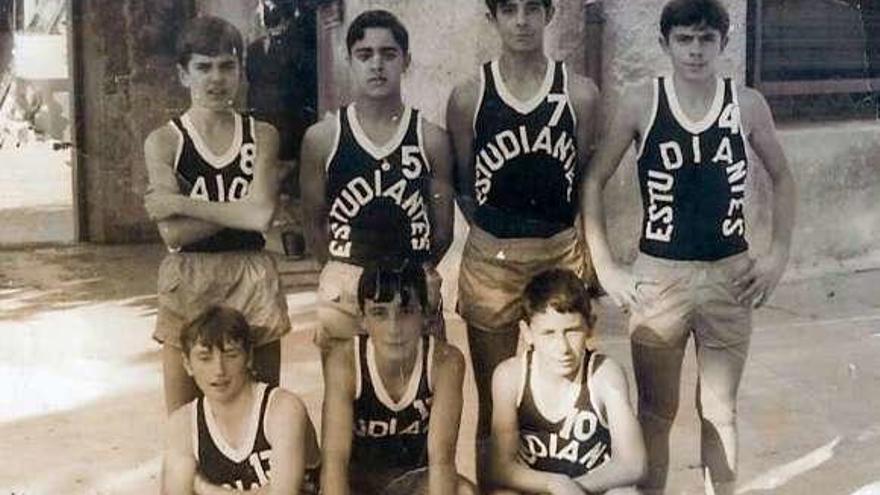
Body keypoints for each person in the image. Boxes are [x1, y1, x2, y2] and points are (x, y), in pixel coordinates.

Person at [580, 1, 796, 493]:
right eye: (684, 40)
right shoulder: (641, 102)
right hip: (659, 276)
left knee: (721, 410)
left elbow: (783, 178)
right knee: (656, 412)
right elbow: (593, 180)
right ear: (665, 44)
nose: (695, 51)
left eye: (705, 40)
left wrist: (778, 254)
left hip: (730, 273)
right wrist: (606, 267)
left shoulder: (746, 104)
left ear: (723, 42)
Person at [445, 0, 600, 481]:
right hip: (493, 257)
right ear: (492, 17)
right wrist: (499, 238)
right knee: (497, 402)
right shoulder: (470, 95)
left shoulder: (580, 93)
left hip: (558, 250)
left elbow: (584, 181)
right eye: (508, 9)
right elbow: (464, 185)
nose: (521, 21)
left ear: (549, 14)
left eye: (532, 8)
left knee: (564, 395)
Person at [143, 16, 290, 413]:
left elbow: (260, 217)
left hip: (253, 274)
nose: (216, 78)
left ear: (241, 70)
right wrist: (242, 209)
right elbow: (174, 236)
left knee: (261, 411)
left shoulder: (261, 134)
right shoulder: (164, 141)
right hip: (188, 275)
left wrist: (181, 202)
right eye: (203, 67)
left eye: (227, 66)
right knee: (184, 417)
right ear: (183, 74)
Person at [299, 9, 454, 347]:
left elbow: (443, 232)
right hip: (347, 279)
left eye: (389, 54)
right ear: (349, 60)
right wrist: (338, 272)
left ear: (406, 60)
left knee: (418, 389)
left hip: (410, 280)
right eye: (365, 54)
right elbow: (313, 222)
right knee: (344, 392)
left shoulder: (431, 138)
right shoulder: (323, 137)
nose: (377, 65)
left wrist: (417, 273)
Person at [320, 264, 475, 495]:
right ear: (362, 319)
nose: (394, 328)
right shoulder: (345, 363)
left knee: (464, 492)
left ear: (424, 314)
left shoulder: (445, 362)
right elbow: (334, 462)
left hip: (414, 482)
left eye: (405, 311)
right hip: (358, 484)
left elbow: (442, 459)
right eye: (379, 313)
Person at [487, 268, 645, 495]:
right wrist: (554, 484)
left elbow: (633, 464)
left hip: (588, 491)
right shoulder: (511, 376)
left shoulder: (604, 374)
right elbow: (500, 468)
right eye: (548, 333)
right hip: (539, 490)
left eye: (572, 331)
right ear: (527, 332)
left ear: (590, 326)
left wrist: (573, 488)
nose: (562, 348)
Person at [162, 306, 320, 494]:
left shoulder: (283, 409)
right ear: (187, 364)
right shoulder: (183, 424)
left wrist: (205, 489)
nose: (219, 370)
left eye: (231, 355)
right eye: (205, 358)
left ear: (249, 357)